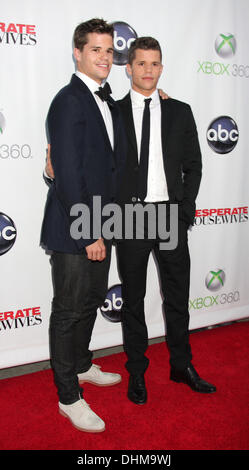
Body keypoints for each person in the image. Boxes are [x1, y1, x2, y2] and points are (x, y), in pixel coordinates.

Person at [116, 37, 216, 404]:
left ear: (161, 67)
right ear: (129, 67)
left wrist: (185, 210)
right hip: (130, 217)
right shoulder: (113, 111)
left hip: (170, 216)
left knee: (177, 296)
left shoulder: (180, 111)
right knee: (133, 299)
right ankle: (137, 372)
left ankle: (181, 365)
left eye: (154, 64)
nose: (147, 70)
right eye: (140, 63)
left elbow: (194, 165)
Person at [40, 18, 126, 432]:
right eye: (96, 50)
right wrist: (89, 230)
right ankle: (68, 396)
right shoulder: (70, 100)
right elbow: (70, 174)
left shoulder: (103, 100)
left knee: (91, 301)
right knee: (69, 311)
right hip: (78, 228)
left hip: (102, 224)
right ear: (78, 52)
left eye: (109, 51)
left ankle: (80, 364)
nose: (105, 58)